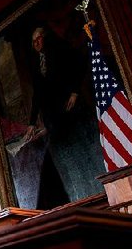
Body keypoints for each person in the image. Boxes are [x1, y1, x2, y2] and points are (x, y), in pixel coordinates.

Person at [24, 26, 102, 202]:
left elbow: (81, 63)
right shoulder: (36, 64)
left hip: (70, 108)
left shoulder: (60, 50)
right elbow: (37, 95)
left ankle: (96, 191)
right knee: (65, 156)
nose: (36, 43)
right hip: (53, 117)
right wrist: (31, 122)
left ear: (46, 37)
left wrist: (75, 91)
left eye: (39, 39)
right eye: (33, 41)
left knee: (81, 148)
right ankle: (79, 195)